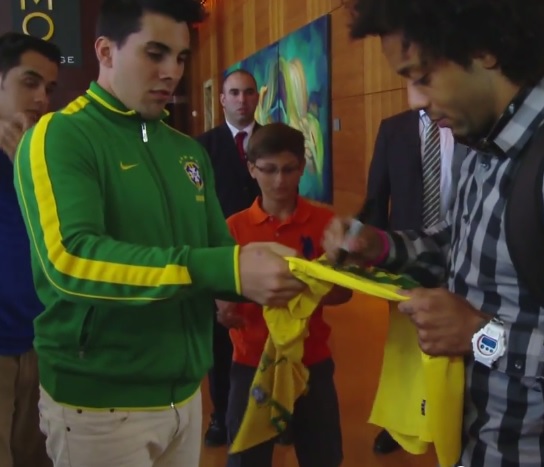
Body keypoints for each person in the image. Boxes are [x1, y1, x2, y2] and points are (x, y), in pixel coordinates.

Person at [322, 1, 544, 466]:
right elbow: (468, 254)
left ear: (484, 50)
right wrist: (381, 247)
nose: (414, 100)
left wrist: (483, 338)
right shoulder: (486, 146)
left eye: (423, 76)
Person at [12, 1, 306, 466]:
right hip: (100, 404)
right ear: (105, 51)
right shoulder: (61, 136)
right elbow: (69, 259)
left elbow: (217, 251)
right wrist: (223, 268)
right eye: (155, 53)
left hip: (185, 395)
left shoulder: (187, 150)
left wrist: (284, 271)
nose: (172, 71)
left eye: (181, 57)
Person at [219, 122, 349, 467]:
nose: (279, 181)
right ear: (251, 169)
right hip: (251, 360)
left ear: (302, 167)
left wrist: (306, 287)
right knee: (246, 457)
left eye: (289, 169)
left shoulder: (325, 222)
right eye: (269, 170)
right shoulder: (233, 228)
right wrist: (223, 309)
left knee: (323, 456)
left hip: (311, 359)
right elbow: (221, 296)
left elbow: (343, 293)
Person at [365, 103, 469, 454]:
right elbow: (377, 195)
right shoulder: (393, 128)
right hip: (406, 258)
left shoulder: (467, 122)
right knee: (405, 345)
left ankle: (452, 419)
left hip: (461, 254)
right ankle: (401, 422)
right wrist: (373, 255)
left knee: (456, 340)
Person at [0, 31, 59, 467]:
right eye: (30, 82)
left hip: (42, 342)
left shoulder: (48, 154)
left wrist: (29, 167)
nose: (42, 98)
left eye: (49, 87)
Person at [196, 68, 261, 447]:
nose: (241, 100)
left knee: (272, 336)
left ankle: (274, 410)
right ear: (222, 99)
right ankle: (221, 415)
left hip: (267, 252)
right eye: (234, 93)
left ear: (257, 97)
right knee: (222, 343)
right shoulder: (201, 147)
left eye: (248, 92)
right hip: (222, 258)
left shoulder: (274, 140)